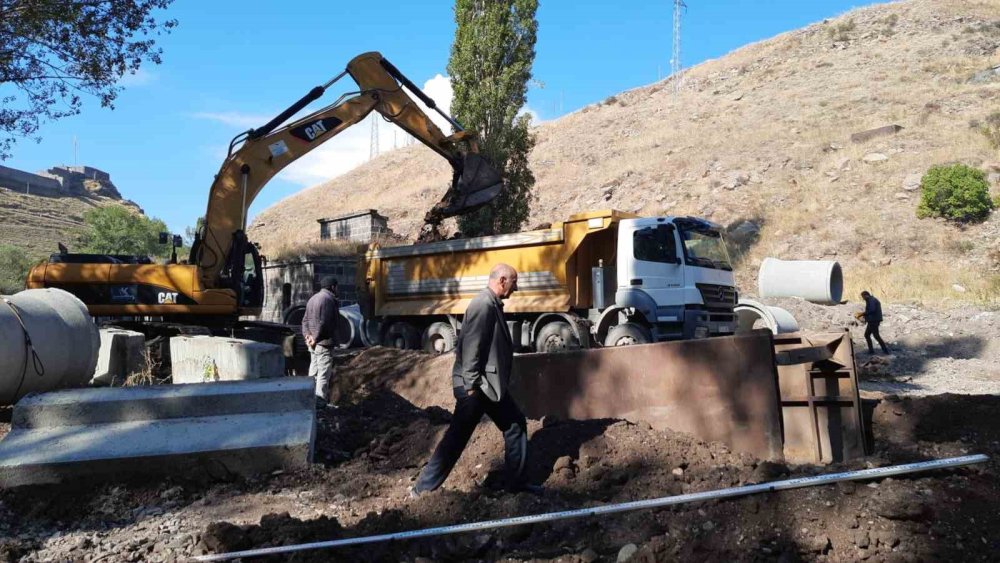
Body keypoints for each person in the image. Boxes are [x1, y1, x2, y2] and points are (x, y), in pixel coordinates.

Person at [410, 263, 540, 497]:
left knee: (515, 424)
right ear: (502, 281)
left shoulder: (490, 303)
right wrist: (470, 385)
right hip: (477, 386)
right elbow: (471, 344)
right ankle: (421, 490)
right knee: (456, 439)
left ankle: (517, 485)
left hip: (487, 386)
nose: (516, 288)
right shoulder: (484, 305)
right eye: (514, 282)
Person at [302, 276, 339, 404]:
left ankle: (309, 400)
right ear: (332, 287)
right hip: (323, 343)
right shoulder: (328, 299)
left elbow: (304, 321)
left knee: (313, 373)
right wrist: (315, 338)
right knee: (323, 375)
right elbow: (323, 323)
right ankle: (320, 404)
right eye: (336, 287)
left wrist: (308, 336)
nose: (337, 289)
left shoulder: (312, 299)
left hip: (312, 344)